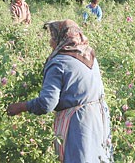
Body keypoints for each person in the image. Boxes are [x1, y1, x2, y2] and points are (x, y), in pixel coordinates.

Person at [6, 19, 112, 162]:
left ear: (61, 37)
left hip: (79, 123)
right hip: (99, 116)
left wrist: (22, 106)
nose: (50, 42)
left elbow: (47, 103)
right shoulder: (88, 54)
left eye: (52, 37)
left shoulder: (59, 63)